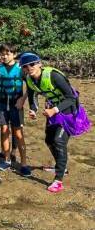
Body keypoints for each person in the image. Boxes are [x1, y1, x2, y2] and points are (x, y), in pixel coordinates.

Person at [20, 52, 90, 193]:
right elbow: (33, 95)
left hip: (68, 111)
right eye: (25, 67)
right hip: (52, 110)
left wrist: (55, 110)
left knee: (59, 141)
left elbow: (71, 97)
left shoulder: (54, 76)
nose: (29, 68)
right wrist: (33, 109)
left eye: (32, 64)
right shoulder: (29, 79)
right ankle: (61, 166)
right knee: (49, 140)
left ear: (39, 64)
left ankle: (58, 180)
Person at [0, 44, 30, 176]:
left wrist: (22, 99)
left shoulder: (21, 69)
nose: (5, 56)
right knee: (4, 130)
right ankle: (6, 159)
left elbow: (30, 87)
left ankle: (23, 163)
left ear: (14, 54)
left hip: (16, 104)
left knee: (18, 133)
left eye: (8, 53)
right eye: (3, 54)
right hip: (1, 103)